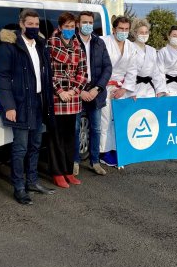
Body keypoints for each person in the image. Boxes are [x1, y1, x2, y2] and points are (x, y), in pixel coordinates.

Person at [0, 9, 55, 205]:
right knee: (20, 148)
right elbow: (2, 78)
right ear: (21, 24)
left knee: (36, 145)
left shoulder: (40, 45)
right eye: (30, 24)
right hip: (20, 104)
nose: (34, 28)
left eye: (37, 24)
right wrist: (9, 106)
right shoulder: (10, 46)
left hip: (39, 103)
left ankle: (33, 181)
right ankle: (19, 187)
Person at [47, 12, 88, 188]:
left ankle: (68, 171)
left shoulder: (78, 45)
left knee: (70, 137)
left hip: (72, 98)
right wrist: (60, 91)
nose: (70, 30)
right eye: (67, 27)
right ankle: (57, 173)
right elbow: (47, 72)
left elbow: (83, 72)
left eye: (72, 27)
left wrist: (74, 90)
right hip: (57, 98)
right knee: (56, 137)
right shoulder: (50, 44)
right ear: (60, 27)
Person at [73, 11, 112, 176]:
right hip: (77, 91)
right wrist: (79, 90)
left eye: (90, 22)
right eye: (84, 22)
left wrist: (98, 88)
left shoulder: (99, 42)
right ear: (78, 24)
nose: (87, 25)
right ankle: (74, 161)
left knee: (95, 129)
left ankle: (94, 161)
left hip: (96, 91)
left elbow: (107, 67)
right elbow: (66, 70)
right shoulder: (71, 42)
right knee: (74, 128)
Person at [99, 16, 138, 167]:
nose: (123, 32)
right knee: (106, 120)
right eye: (120, 29)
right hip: (105, 85)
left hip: (122, 87)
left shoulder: (131, 46)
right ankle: (103, 152)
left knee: (120, 120)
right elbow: (98, 65)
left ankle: (117, 150)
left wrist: (125, 89)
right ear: (114, 29)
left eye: (126, 29)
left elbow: (132, 70)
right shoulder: (103, 42)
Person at [129, 19, 166, 99]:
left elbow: (156, 72)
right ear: (135, 33)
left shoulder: (152, 50)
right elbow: (126, 71)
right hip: (134, 88)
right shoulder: (129, 47)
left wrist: (160, 90)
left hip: (149, 89)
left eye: (146, 32)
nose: (144, 35)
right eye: (141, 33)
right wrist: (130, 91)